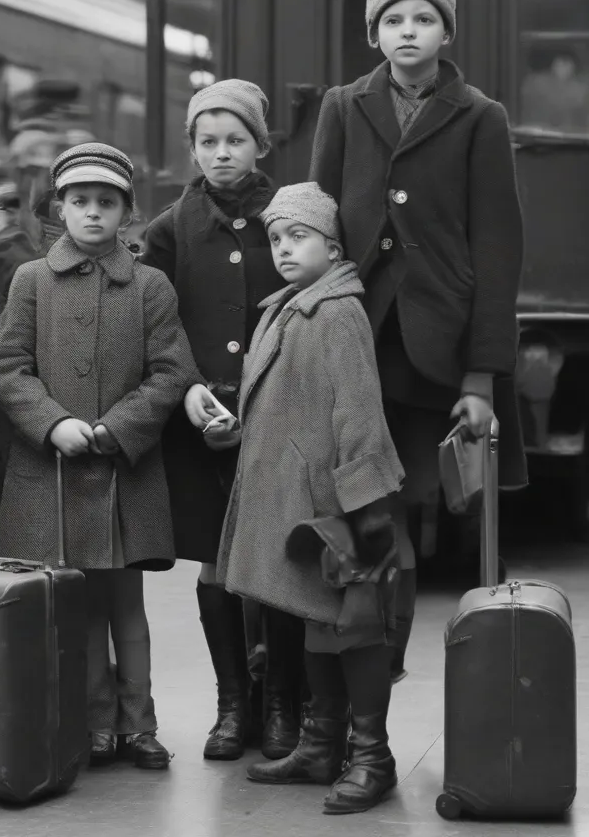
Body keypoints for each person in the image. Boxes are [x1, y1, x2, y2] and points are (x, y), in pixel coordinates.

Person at [309, 0, 526, 681]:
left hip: (438, 348)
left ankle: (384, 672)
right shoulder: (344, 106)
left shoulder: (480, 116)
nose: (409, 31)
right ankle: (368, 676)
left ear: (445, 32)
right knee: (369, 511)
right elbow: (322, 223)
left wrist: (482, 376)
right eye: (394, 20)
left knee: (409, 508)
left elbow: (498, 250)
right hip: (359, 336)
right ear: (374, 34)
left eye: (424, 19)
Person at [0, 143, 200, 770]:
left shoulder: (151, 286)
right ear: (59, 209)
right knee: (74, 604)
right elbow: (8, 366)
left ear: (127, 213)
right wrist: (52, 424)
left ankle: (139, 722)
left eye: (106, 203)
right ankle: (94, 720)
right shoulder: (30, 281)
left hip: (123, 473)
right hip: (48, 471)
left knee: (126, 605)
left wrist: (116, 428)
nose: (92, 214)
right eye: (79, 202)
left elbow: (171, 372)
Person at [215, 181, 405, 814]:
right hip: (302, 504)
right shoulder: (288, 308)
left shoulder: (337, 312)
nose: (284, 249)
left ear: (331, 243)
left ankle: (372, 755)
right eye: (275, 238)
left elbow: (359, 415)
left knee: (355, 626)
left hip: (342, 502)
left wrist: (361, 517)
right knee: (314, 620)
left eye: (299, 236)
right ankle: (322, 744)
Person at [143, 80, 306, 763]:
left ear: (261, 144)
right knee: (215, 564)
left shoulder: (291, 215)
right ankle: (232, 704)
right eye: (207, 142)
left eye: (235, 140)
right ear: (192, 148)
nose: (221, 153)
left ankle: (281, 707)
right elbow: (157, 323)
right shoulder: (170, 228)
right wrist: (185, 392)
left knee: (274, 561)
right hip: (203, 419)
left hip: (276, 414)